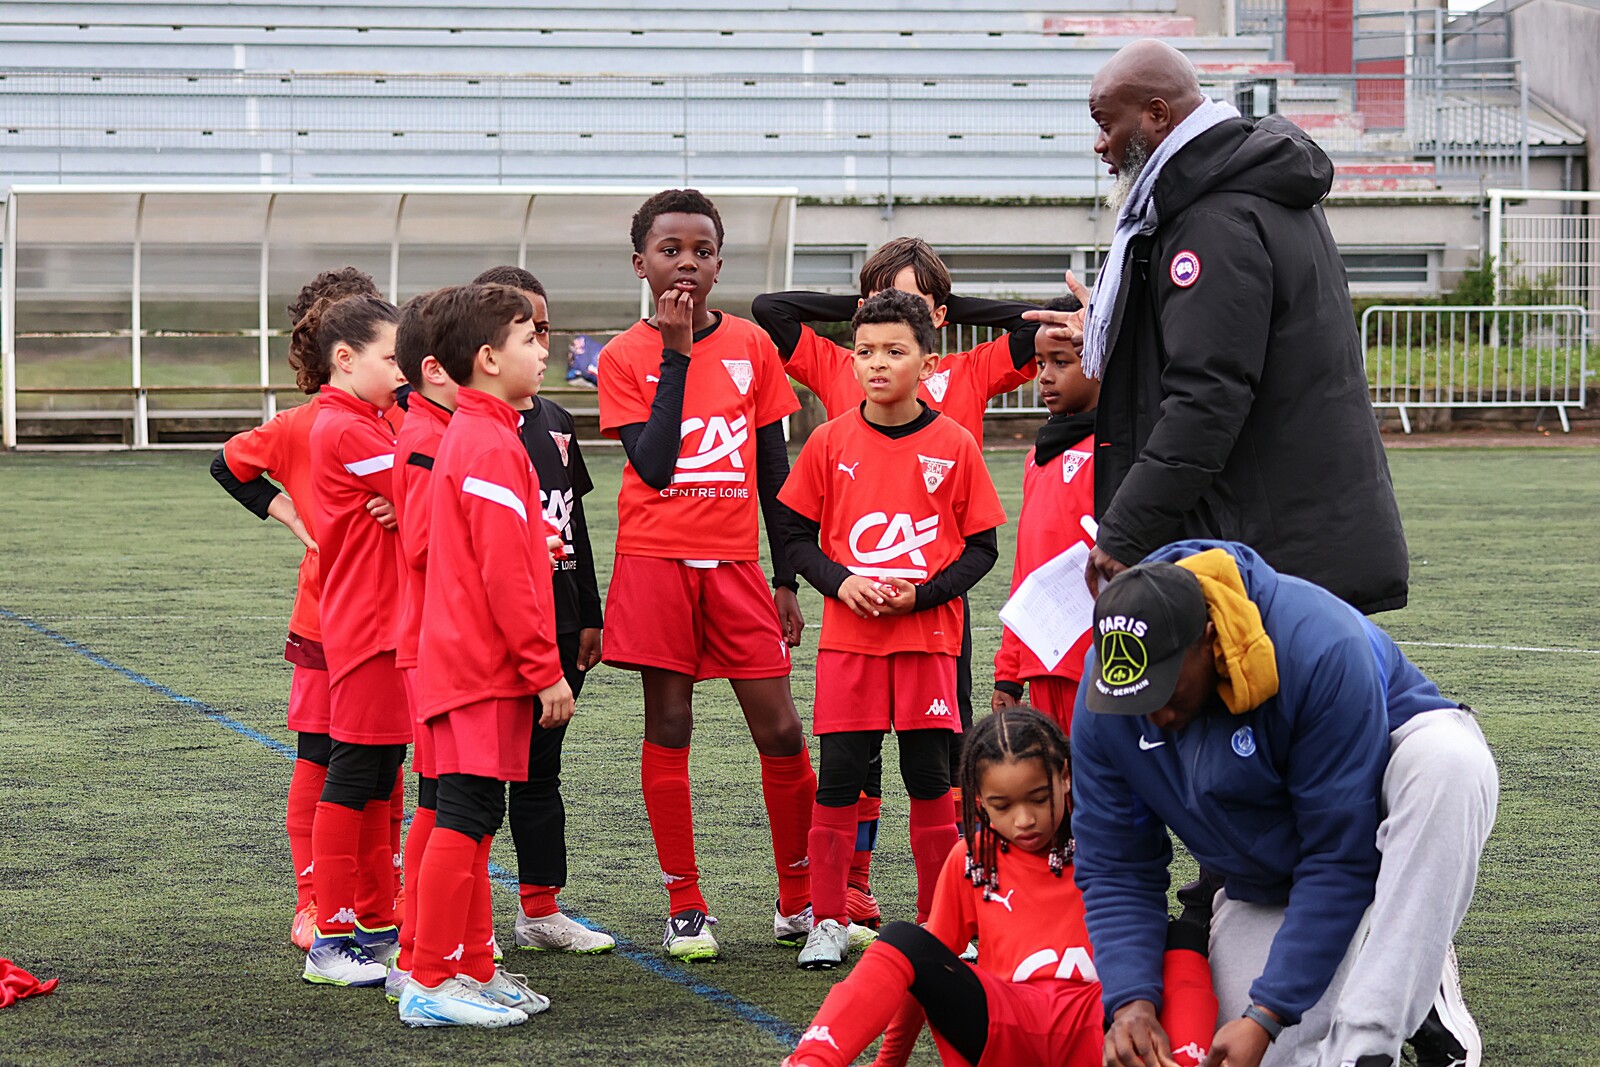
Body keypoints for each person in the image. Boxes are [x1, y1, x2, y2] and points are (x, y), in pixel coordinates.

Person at [1072, 541, 1497, 1067]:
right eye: (1137, 701)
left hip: (1377, 809)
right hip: (1281, 875)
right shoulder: (1106, 698)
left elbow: (1340, 855)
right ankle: (1391, 953)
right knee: (1245, 1052)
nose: (1154, 717)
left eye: (1165, 693)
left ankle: (1377, 1023)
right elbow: (1117, 866)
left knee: (1449, 763)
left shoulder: (1318, 643)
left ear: (1210, 639)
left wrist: (1269, 1013)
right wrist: (1131, 1002)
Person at [1028, 40, 1408, 615]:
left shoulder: (1212, 220)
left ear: (1157, 115)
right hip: (1288, 532)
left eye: (1106, 125)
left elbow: (1208, 395)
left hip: (1266, 548)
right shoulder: (1243, 193)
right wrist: (1124, 335)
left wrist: (1127, 530)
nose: (1099, 144)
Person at [754, 237, 1042, 919]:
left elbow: (1034, 322)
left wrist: (933, 309)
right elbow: (771, 308)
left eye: (911, 313)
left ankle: (960, 893)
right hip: (855, 602)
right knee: (855, 756)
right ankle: (852, 883)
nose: (880, 357)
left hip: (937, 603)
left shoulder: (967, 370)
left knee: (944, 748)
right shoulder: (846, 362)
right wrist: (876, 307)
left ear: (938, 323)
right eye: (872, 329)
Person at [597, 188, 817, 961]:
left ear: (719, 264)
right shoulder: (624, 356)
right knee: (670, 723)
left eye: (701, 250)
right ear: (641, 264)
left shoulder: (754, 345)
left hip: (736, 566)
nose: (686, 262)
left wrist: (786, 578)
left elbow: (774, 470)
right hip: (655, 563)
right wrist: (677, 350)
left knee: (781, 727)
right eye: (670, 250)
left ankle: (799, 897)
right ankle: (685, 904)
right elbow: (655, 466)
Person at [782, 707, 1219, 1067]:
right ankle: (813, 1060)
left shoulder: (1103, 846)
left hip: (1101, 1030)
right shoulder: (973, 858)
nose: (1024, 820)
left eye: (1039, 798)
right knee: (903, 939)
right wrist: (889, 1061)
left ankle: (1185, 1060)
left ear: (1066, 777)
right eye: (1002, 806)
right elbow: (922, 967)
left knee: (1182, 934)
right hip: (1004, 1031)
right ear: (978, 801)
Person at [779, 290, 1007, 968]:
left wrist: (921, 596)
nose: (876, 363)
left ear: (927, 363)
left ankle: (944, 925)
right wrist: (841, 582)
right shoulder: (829, 440)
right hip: (848, 643)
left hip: (927, 642)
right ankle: (827, 920)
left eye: (894, 351)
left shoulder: (954, 443)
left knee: (929, 778)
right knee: (840, 777)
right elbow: (794, 536)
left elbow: (983, 548)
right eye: (865, 351)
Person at [397, 283, 571, 1028]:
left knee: (469, 811)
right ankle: (431, 979)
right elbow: (502, 576)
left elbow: (494, 552)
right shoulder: (489, 441)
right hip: (476, 664)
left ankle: (468, 965)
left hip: (466, 660)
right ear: (490, 357)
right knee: (464, 812)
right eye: (531, 337)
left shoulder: (483, 431)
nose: (545, 350)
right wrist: (545, 671)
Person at [208, 266, 386, 952]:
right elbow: (228, 465)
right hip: (325, 615)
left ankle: (379, 893)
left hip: (392, 615)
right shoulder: (300, 425)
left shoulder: (393, 415)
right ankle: (312, 899)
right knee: (321, 756)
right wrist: (288, 514)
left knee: (384, 760)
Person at [471, 265, 616, 956]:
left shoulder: (555, 421)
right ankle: (462, 918)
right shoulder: (464, 425)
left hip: (558, 620)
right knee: (470, 778)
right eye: (526, 330)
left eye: (545, 329)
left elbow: (573, 522)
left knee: (540, 769)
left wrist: (589, 611)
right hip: (495, 627)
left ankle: (540, 909)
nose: (541, 342)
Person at [300, 294, 410, 988]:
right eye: (393, 358)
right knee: (354, 772)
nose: (403, 371)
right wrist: (409, 497)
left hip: (387, 621)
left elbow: (422, 489)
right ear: (345, 359)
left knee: (379, 774)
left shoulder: (371, 421)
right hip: (370, 625)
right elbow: (443, 488)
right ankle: (330, 939)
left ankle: (371, 926)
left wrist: (408, 499)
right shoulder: (345, 426)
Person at [385, 289, 456, 1001]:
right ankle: (425, 960)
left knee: (449, 800)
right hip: (439, 645)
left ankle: (436, 954)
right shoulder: (429, 436)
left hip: (443, 641)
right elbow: (428, 545)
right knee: (446, 802)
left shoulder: (440, 428)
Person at [992, 293, 1097, 733]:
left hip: (1102, 659)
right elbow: (1026, 570)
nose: (1045, 377)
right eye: (1039, 363)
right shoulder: (1037, 457)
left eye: (1061, 362)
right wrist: (1008, 669)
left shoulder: (1121, 449)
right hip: (1042, 657)